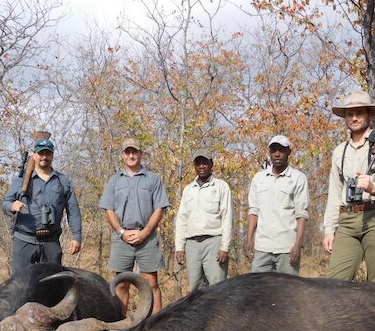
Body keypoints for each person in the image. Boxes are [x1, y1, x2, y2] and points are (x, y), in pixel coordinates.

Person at [322, 90, 375, 284]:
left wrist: (374, 188)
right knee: (334, 285)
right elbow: (335, 193)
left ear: (369, 114)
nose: (354, 118)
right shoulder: (339, 152)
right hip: (347, 220)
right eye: (350, 114)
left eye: (359, 112)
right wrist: (329, 229)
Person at [99, 138, 170, 315]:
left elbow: (159, 208)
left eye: (134, 152)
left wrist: (145, 232)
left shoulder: (153, 180)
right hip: (122, 238)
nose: (131, 155)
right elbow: (109, 209)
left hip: (147, 237)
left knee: (150, 282)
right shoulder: (114, 181)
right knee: (121, 283)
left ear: (140, 154)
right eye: (127, 152)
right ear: (123, 155)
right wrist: (121, 232)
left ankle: (156, 327)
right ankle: (121, 325)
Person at [2, 137, 82, 275]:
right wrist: (12, 206)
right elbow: (5, 203)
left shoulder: (62, 181)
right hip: (24, 240)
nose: (44, 157)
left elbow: (73, 210)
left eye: (48, 153)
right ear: (35, 155)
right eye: (41, 153)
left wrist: (76, 236)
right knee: (20, 287)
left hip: (51, 240)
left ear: (52, 156)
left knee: (52, 286)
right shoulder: (20, 180)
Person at [245, 135, 309, 275]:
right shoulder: (259, 178)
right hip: (262, 247)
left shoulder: (298, 178)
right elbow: (254, 211)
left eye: (281, 150)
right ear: (269, 153)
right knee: (258, 291)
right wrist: (249, 240)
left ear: (289, 153)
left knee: (288, 293)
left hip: (287, 248)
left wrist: (298, 245)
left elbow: (302, 215)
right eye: (274, 150)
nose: (277, 154)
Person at [175, 150, 233, 290]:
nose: (201, 166)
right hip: (192, 244)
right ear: (194, 166)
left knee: (217, 287)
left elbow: (227, 217)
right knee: (194, 290)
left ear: (211, 164)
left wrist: (224, 247)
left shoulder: (221, 187)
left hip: (213, 242)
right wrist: (179, 247)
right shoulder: (188, 190)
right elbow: (182, 219)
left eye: (205, 163)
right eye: (198, 163)